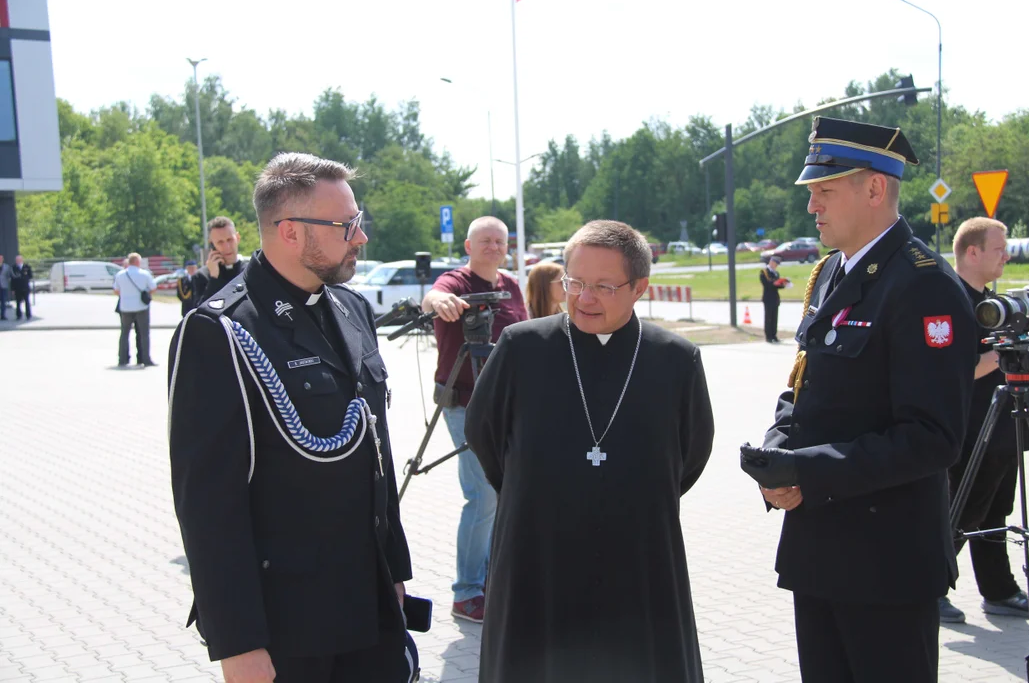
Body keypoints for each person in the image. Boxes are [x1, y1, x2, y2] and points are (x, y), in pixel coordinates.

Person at [739, 117, 977, 683]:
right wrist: (779, 450)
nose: (811, 206)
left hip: (886, 564)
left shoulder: (923, 285)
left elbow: (933, 437)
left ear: (874, 189)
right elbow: (805, 387)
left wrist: (809, 472)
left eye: (824, 190)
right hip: (820, 553)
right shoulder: (829, 275)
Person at [169, 153, 417, 683]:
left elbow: (377, 453)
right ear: (289, 232)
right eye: (347, 225)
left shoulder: (352, 309)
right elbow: (208, 505)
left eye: (359, 221)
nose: (361, 237)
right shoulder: (221, 332)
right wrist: (237, 642)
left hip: (368, 601)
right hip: (289, 623)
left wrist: (394, 572)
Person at [465, 220, 714, 683]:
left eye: (602, 286)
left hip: (638, 550)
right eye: (573, 282)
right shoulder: (522, 347)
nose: (583, 298)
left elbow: (691, 452)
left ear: (639, 287)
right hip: (537, 546)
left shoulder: (675, 359)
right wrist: (535, 488)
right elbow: (484, 433)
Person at [939, 217, 1029, 624]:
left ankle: (999, 590)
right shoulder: (949, 300)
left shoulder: (993, 301)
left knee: (995, 512)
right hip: (970, 428)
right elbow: (951, 368)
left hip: (1004, 421)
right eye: (998, 248)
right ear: (972, 252)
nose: (1006, 254)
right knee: (961, 508)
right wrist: (1003, 354)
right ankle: (929, 586)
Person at [421, 216, 527, 623]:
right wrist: (438, 302)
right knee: (482, 496)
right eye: (485, 240)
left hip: (508, 404)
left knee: (504, 494)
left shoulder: (511, 286)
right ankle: (467, 593)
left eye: (499, 241)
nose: (493, 247)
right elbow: (433, 297)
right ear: (468, 245)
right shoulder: (456, 283)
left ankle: (492, 581)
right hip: (463, 402)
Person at [113, 252, 157, 367]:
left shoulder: (120, 275)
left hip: (125, 307)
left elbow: (116, 290)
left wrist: (126, 296)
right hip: (141, 307)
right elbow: (153, 288)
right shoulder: (144, 274)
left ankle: (122, 359)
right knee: (143, 334)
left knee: (124, 334)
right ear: (137, 262)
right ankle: (145, 359)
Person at [191, 216, 246, 306]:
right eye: (220, 242)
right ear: (212, 244)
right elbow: (198, 315)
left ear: (238, 238)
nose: (227, 247)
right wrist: (214, 279)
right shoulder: (202, 276)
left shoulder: (250, 270)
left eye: (230, 240)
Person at [760, 255, 786, 342]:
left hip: (775, 298)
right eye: (775, 264)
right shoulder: (764, 272)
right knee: (768, 317)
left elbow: (777, 286)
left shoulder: (776, 273)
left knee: (775, 318)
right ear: (771, 262)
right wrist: (775, 283)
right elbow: (767, 284)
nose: (776, 266)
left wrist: (783, 284)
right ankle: (768, 336)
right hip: (768, 298)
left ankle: (774, 335)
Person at [10, 254, 32, 320]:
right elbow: (12, 279)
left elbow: (30, 276)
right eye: (17, 260)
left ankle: (28, 315)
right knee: (18, 302)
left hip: (25, 287)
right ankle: (18, 315)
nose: (18, 261)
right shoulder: (14, 268)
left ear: (22, 260)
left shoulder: (27, 267)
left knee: (27, 302)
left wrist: (24, 276)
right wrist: (12, 289)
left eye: (19, 260)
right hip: (17, 288)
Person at [0, 253, 10, 320]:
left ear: (3, 259)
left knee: (3, 302)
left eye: (1, 258)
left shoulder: (6, 267)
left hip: (3, 286)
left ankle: (3, 315)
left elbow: (9, 276)